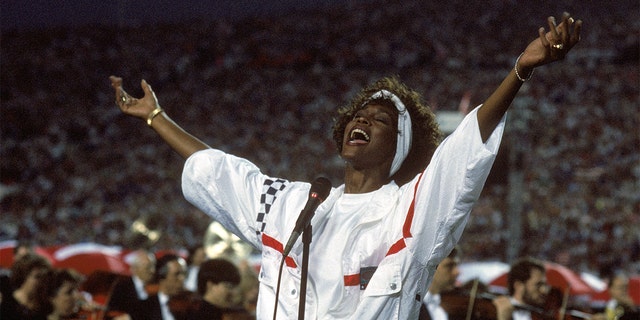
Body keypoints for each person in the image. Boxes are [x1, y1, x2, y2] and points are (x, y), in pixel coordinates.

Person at [110, 12, 582, 319]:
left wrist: (520, 70)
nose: (362, 120)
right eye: (359, 114)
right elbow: (218, 170)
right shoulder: (298, 203)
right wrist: (155, 117)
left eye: (380, 121)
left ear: (400, 148)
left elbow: (462, 153)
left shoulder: (410, 212)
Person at [0, 253, 52, 320]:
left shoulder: (44, 306)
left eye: (43, 277)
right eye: (37, 277)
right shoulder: (7, 305)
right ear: (24, 276)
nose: (41, 281)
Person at [107, 249, 156, 320]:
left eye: (154, 266)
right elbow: (113, 312)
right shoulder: (121, 288)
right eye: (148, 267)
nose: (153, 271)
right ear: (135, 269)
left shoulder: (155, 288)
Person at [419, 247, 460, 320]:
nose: (457, 272)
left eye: (456, 265)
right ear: (430, 267)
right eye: (449, 266)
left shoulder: (441, 306)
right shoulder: (413, 307)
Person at [145, 253, 187, 320]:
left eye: (184, 274)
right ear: (162, 277)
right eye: (177, 274)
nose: (182, 278)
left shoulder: (191, 306)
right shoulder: (144, 307)